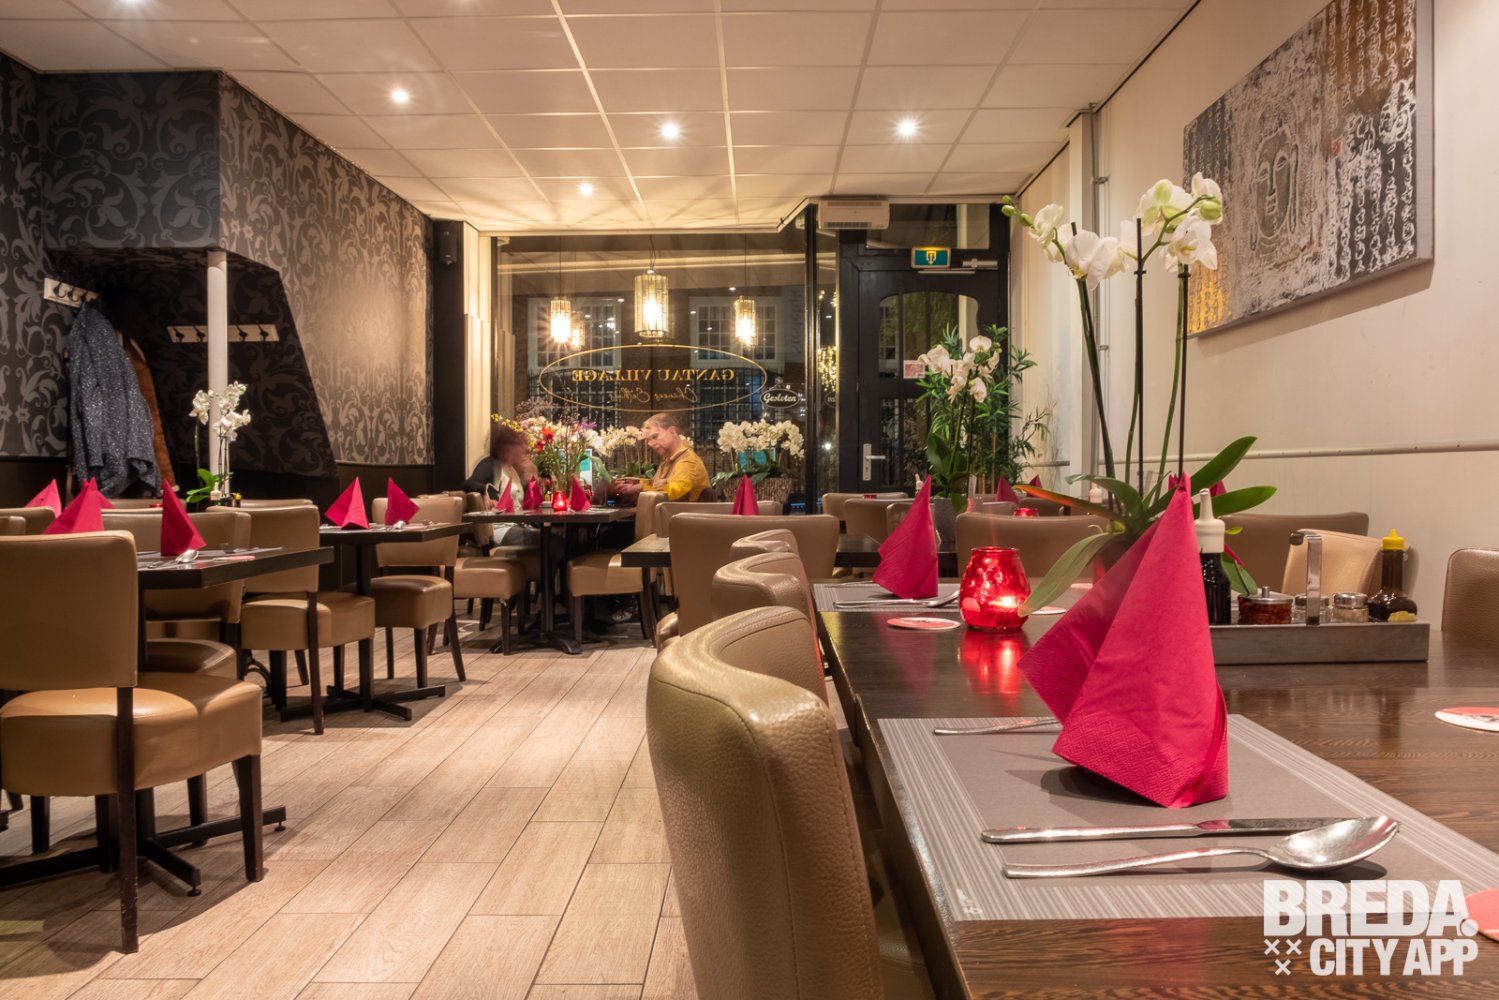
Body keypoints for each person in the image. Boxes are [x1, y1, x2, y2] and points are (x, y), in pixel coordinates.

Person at [463, 423, 540, 546]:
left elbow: (521, 504)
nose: (524, 451)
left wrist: (531, 480)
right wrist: (484, 492)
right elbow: (468, 484)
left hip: (517, 526)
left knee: (553, 537)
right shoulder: (490, 465)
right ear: (507, 448)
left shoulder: (513, 470)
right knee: (550, 541)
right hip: (499, 529)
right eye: (519, 447)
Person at [642, 412, 711, 502]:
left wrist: (641, 489)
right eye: (648, 440)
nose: (651, 444)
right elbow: (657, 487)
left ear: (672, 432)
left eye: (655, 437)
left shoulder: (687, 461)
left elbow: (676, 493)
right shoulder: (669, 460)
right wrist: (638, 486)